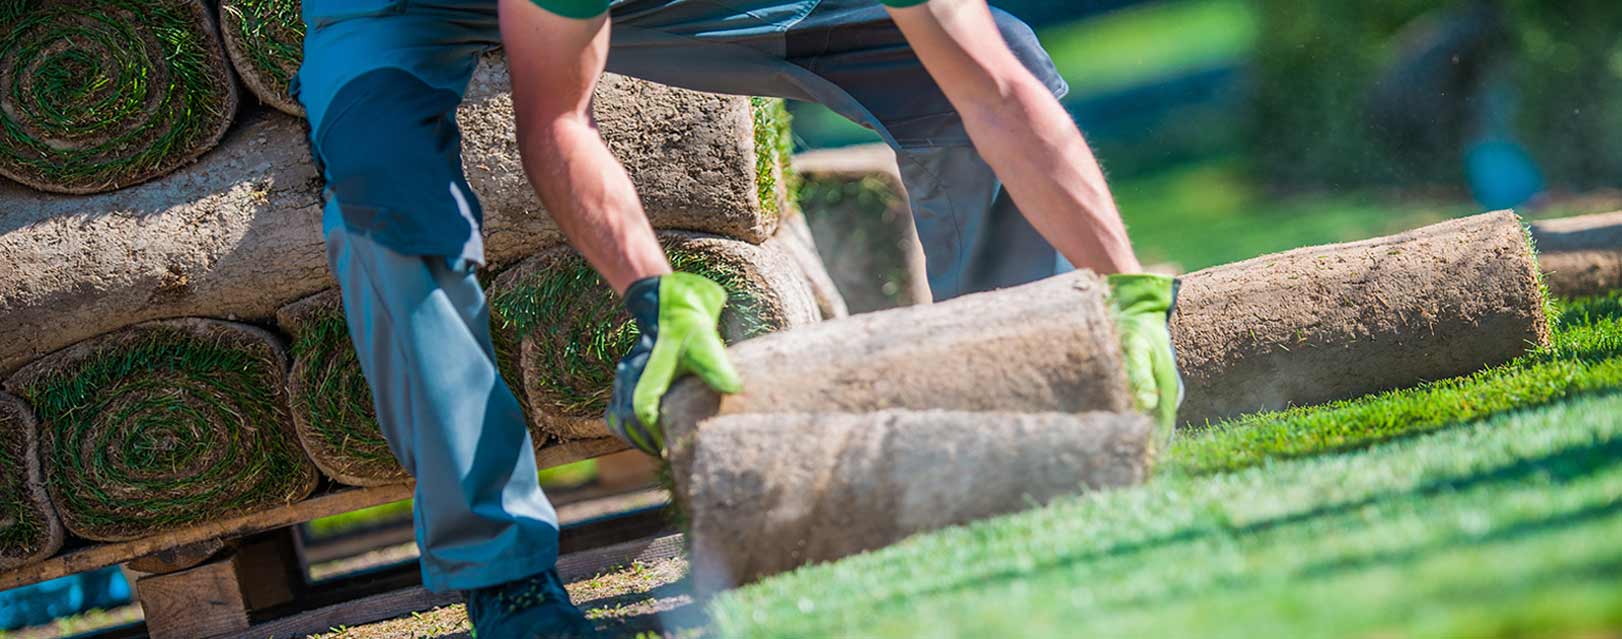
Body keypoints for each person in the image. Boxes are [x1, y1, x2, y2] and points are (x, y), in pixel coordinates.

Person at [295, 0, 1180, 635]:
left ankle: (1017, 436)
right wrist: (653, 293)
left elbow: (992, 89)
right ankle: (504, 578)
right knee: (389, 201)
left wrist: (1119, 289)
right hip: (397, 11)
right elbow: (555, 118)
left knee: (985, 59)